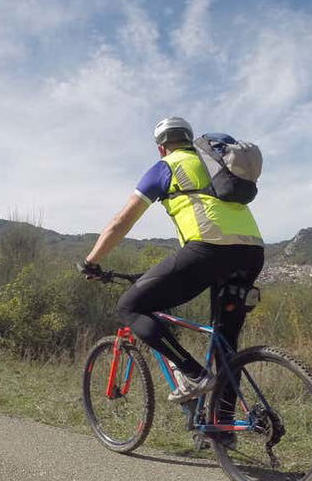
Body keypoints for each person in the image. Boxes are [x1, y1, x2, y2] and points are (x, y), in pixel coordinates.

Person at [79, 116, 264, 405]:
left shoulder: (167, 167)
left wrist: (91, 261)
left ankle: (193, 374)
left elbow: (120, 223)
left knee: (130, 307)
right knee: (225, 345)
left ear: (161, 148)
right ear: (190, 140)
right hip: (252, 252)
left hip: (209, 250)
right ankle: (222, 430)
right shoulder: (215, 165)